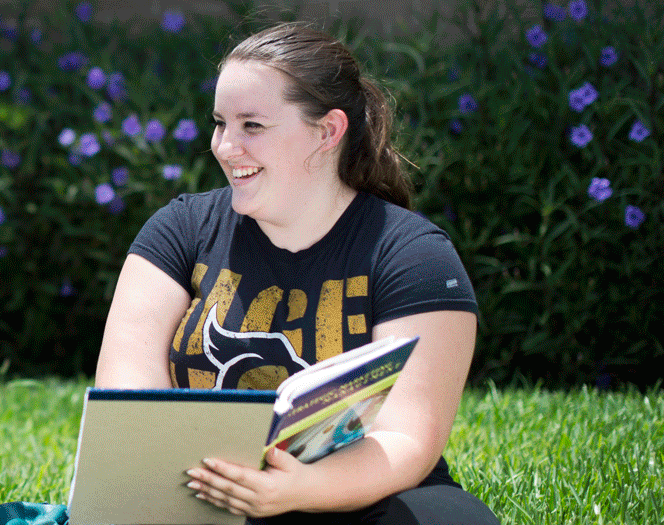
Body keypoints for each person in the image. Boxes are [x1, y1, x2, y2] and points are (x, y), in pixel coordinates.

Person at [95, 23, 499, 525]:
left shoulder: (414, 256)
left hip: (356, 498)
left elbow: (406, 438)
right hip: (205, 499)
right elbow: (128, 409)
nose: (225, 146)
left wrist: (297, 489)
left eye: (252, 126)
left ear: (327, 132)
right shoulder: (179, 230)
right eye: (220, 123)